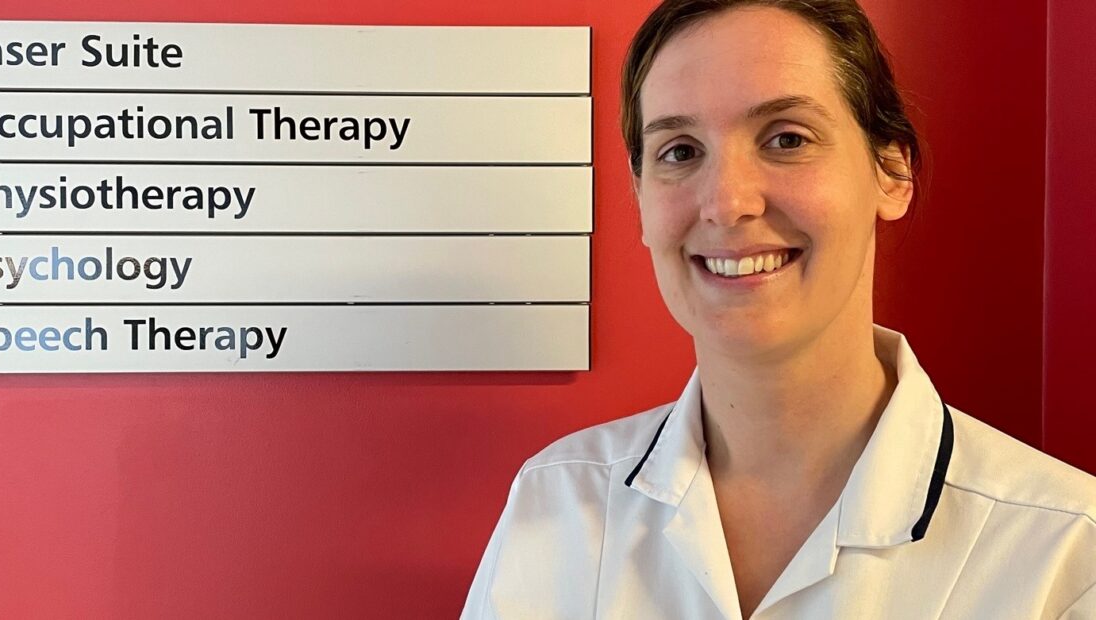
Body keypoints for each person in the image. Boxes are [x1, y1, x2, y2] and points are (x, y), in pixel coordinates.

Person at [461, 1, 1096, 618]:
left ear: (892, 171)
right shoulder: (556, 505)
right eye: (679, 151)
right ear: (640, 196)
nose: (727, 202)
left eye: (786, 138)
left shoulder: (1064, 553)